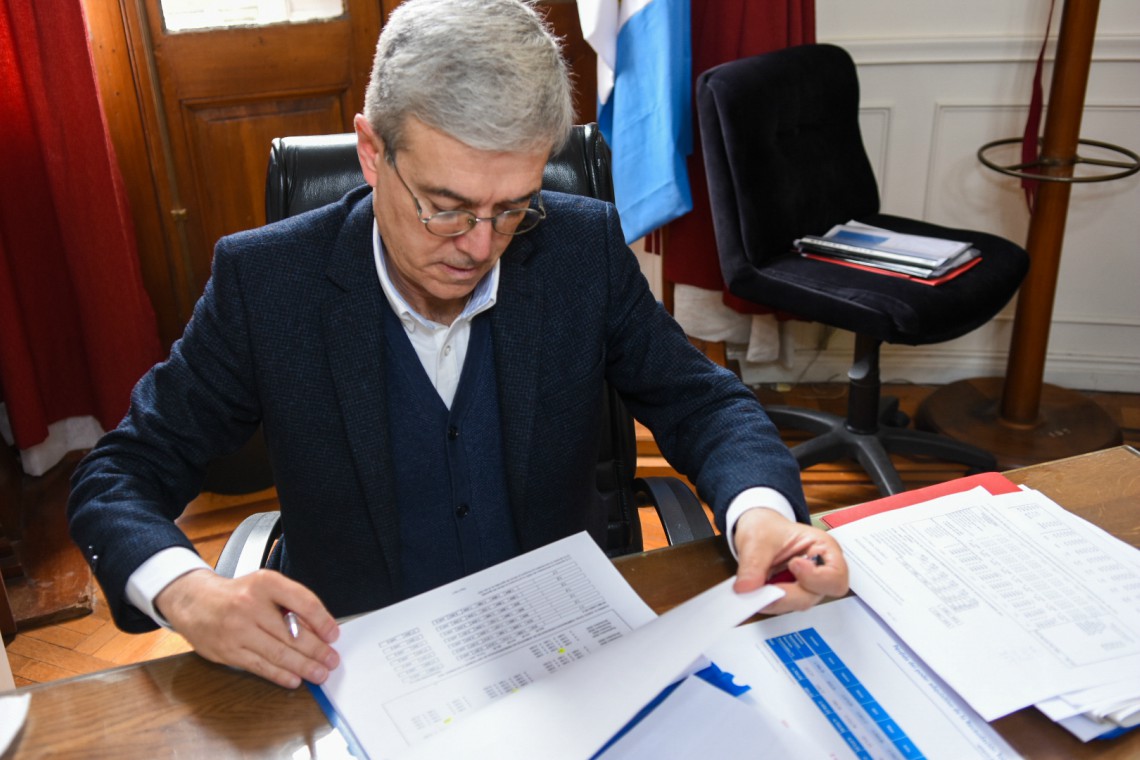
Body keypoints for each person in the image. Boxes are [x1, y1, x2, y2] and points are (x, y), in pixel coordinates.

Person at [68, 0, 847, 691]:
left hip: (566, 657)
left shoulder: (579, 249)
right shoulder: (268, 283)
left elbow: (704, 405)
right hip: (360, 669)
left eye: (512, 208)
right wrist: (186, 591)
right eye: (445, 206)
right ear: (372, 152)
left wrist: (760, 515)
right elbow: (119, 474)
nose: (478, 246)